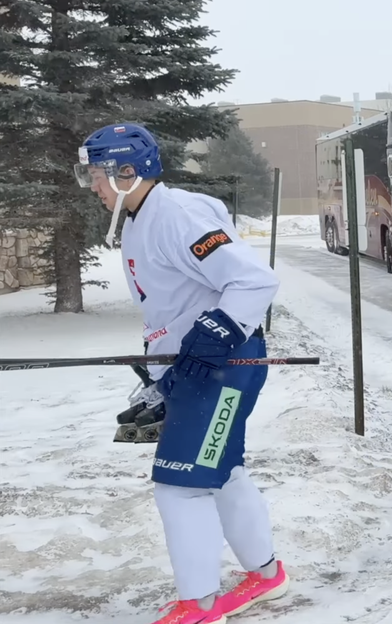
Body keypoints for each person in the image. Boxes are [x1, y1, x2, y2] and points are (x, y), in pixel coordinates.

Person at [75, 123, 289, 624]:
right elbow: (174, 302)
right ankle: (267, 575)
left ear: (128, 171)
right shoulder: (140, 215)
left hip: (223, 369)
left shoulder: (177, 214)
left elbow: (253, 281)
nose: (93, 187)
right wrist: (157, 369)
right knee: (223, 472)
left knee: (181, 485)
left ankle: (199, 603)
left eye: (98, 175)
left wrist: (213, 334)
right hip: (191, 371)